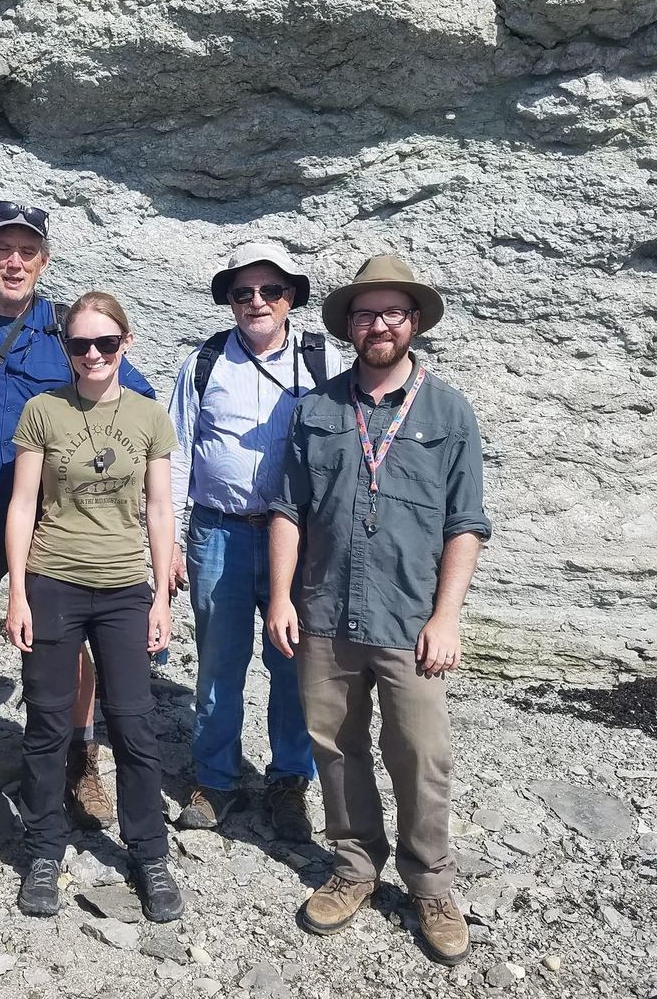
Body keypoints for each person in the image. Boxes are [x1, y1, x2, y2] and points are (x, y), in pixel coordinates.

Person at [267, 255, 492, 965]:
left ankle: (429, 882)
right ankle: (354, 866)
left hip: (408, 618)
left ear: (414, 322)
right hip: (327, 610)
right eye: (366, 314)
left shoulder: (448, 412)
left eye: (393, 312)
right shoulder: (318, 410)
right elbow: (288, 511)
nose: (379, 324)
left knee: (422, 754)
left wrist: (446, 616)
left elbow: (466, 522)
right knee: (334, 747)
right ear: (349, 327)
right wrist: (279, 596)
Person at [0, 201, 155, 830]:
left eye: (28, 250)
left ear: (45, 260)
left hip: (47, 533)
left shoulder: (70, 332)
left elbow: (136, 401)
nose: (15, 261)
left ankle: (76, 761)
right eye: (3, 248)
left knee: (67, 657)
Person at [5, 291, 184, 923]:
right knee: (49, 724)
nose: (93, 354)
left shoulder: (149, 417)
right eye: (80, 344)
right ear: (66, 348)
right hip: (53, 580)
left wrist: (162, 596)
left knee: (133, 723)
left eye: (105, 343)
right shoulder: (41, 411)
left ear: (124, 344)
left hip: (125, 589)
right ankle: (44, 848)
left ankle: (148, 851)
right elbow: (23, 504)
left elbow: (160, 510)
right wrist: (17, 591)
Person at [167, 242, 344, 837]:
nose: (256, 302)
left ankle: (289, 780)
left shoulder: (324, 360)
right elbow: (172, 454)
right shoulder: (204, 363)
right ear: (231, 301)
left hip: (297, 537)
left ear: (290, 297)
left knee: (291, 659)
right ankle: (214, 779)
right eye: (243, 293)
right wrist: (166, 542)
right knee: (220, 661)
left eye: (270, 291)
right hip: (218, 530)